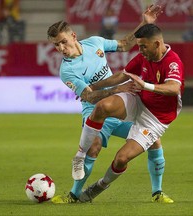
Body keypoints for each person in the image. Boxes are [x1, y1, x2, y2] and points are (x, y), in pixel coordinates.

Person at [47, 5, 172, 204]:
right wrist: (117, 89)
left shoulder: (95, 43)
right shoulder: (67, 70)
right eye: (56, 45)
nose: (61, 49)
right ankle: (74, 195)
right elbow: (89, 96)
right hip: (97, 111)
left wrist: (145, 23)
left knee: (153, 139)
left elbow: (123, 45)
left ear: (73, 36)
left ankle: (157, 192)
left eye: (63, 42)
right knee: (93, 148)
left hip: (119, 104)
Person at [76, 23, 184, 203]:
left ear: (157, 44)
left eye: (143, 46)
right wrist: (93, 87)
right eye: (139, 46)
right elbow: (123, 75)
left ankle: (101, 185)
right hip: (138, 100)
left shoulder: (172, 61)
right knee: (102, 107)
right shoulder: (144, 56)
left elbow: (174, 88)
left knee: (121, 159)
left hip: (155, 119)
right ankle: (80, 155)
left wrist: (145, 85)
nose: (140, 50)